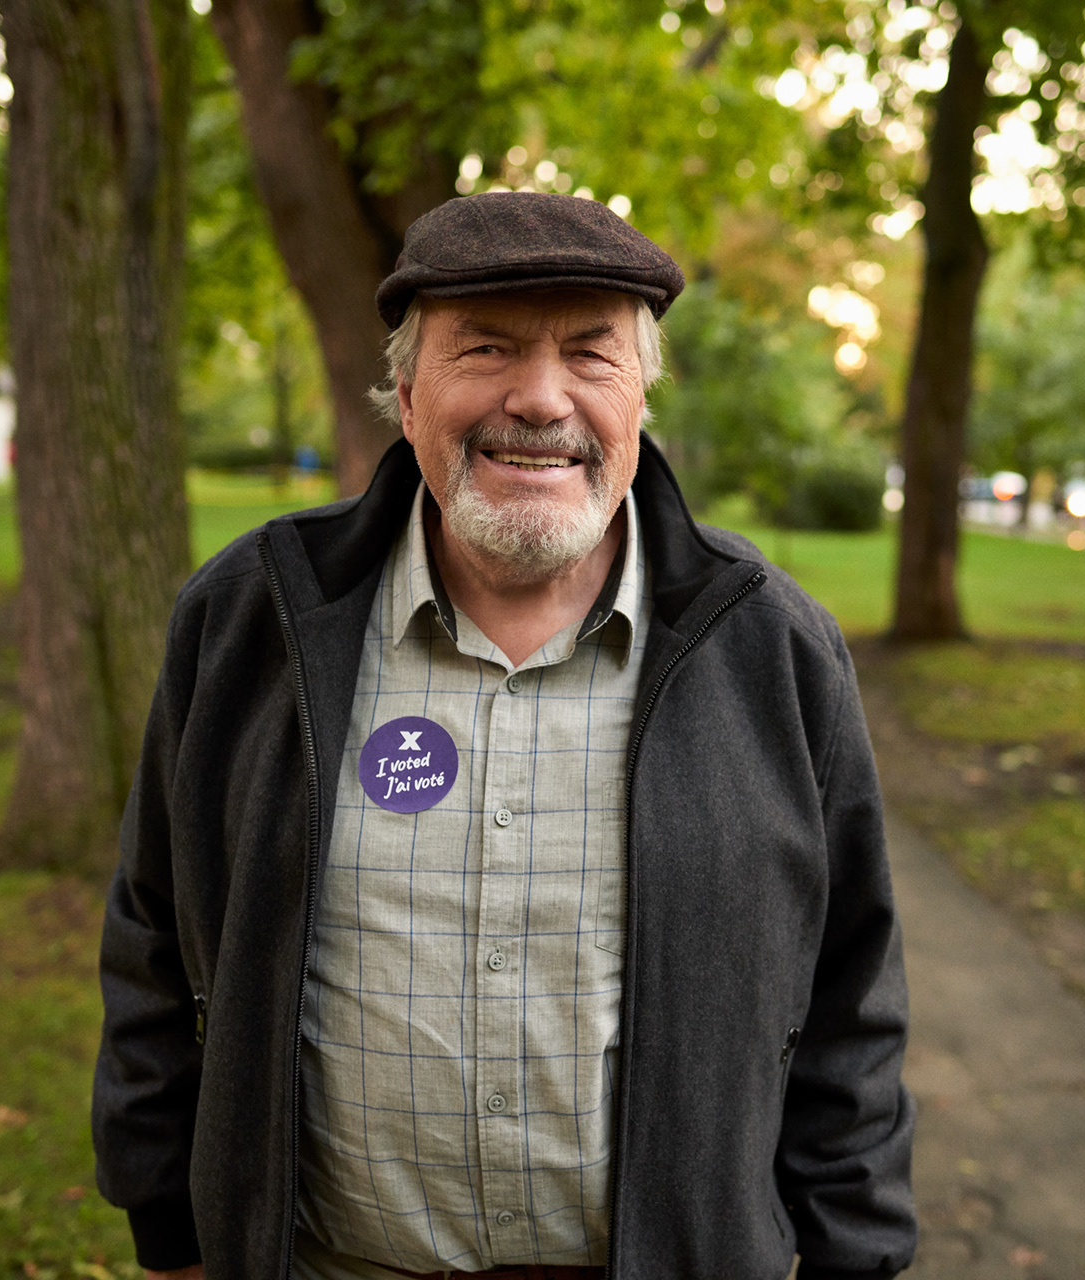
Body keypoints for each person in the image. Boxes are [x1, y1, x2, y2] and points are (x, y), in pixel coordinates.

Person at [91, 192, 916, 1280]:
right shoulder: (252, 617)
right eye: (485, 347)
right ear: (404, 388)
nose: (539, 398)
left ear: (641, 397)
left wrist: (854, 1250)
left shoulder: (771, 646)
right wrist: (171, 1230)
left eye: (591, 353)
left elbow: (851, 993)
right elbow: (156, 936)